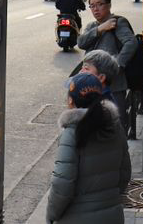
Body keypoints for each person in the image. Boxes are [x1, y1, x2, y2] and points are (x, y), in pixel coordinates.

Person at [45, 72, 131, 224]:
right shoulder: (115, 127)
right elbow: (125, 173)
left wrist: (51, 214)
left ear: (71, 100)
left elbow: (62, 184)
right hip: (112, 215)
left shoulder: (72, 133)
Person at [76, 0, 137, 129]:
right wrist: (100, 29)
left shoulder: (118, 22)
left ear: (108, 5)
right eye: (92, 6)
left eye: (99, 4)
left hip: (113, 83)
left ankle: (119, 149)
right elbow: (81, 42)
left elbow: (131, 43)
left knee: (116, 122)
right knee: (94, 122)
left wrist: (116, 65)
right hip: (92, 83)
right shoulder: (93, 26)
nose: (96, 9)